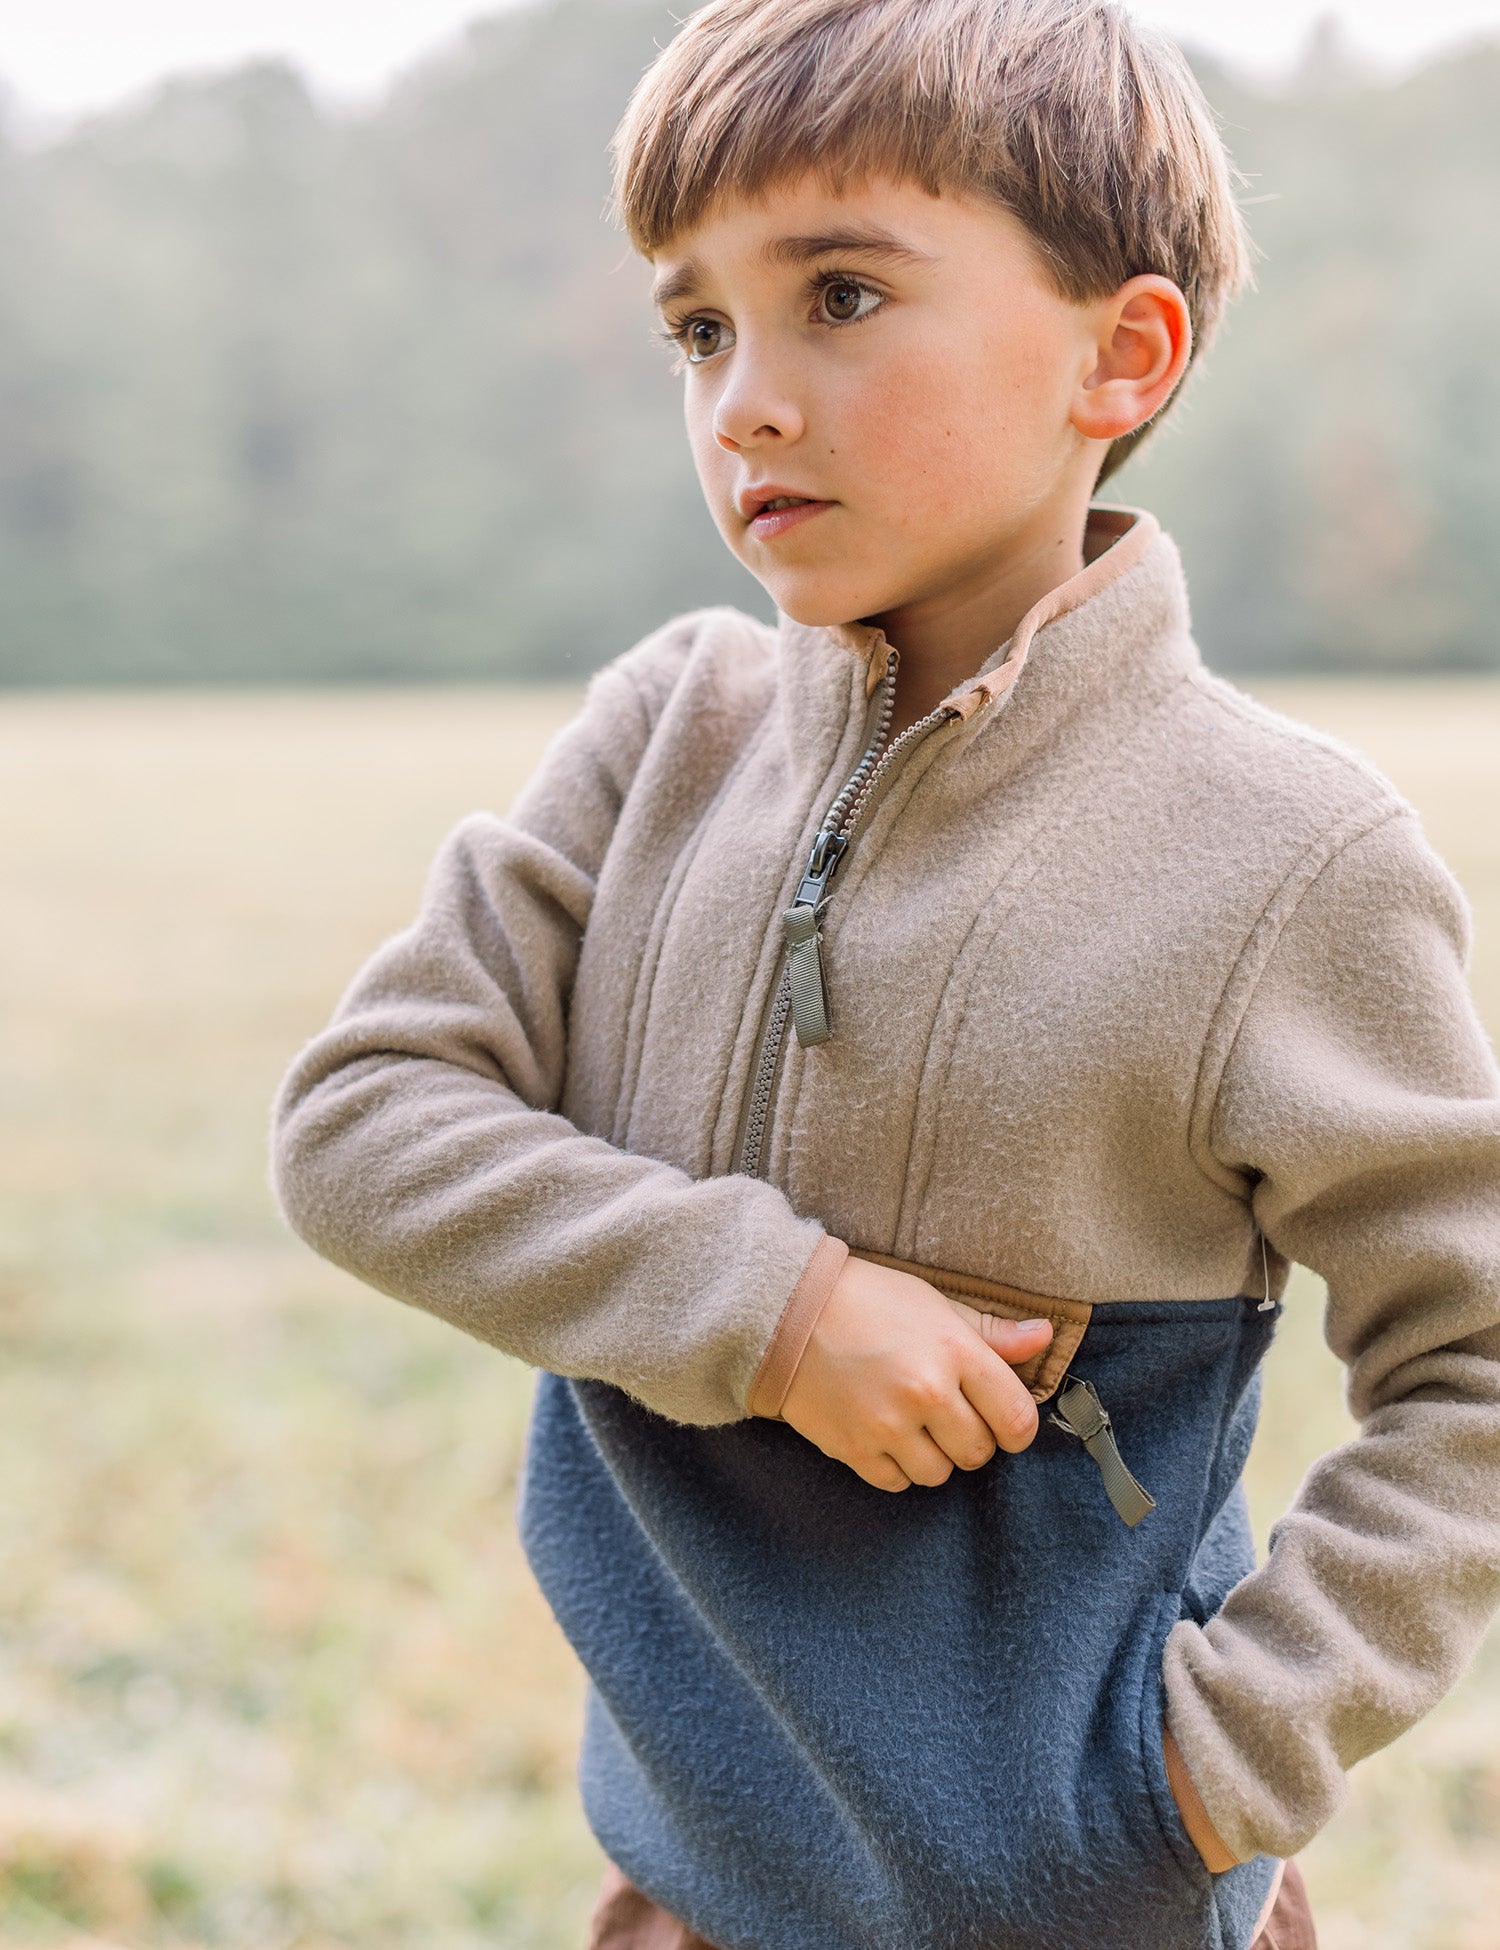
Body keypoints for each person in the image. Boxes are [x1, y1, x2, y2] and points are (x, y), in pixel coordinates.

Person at [270, 3, 1500, 1946]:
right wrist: (770, 1308)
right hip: (693, 1890)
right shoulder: (655, 742)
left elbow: (1478, 1366)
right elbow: (361, 1125)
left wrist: (1219, 1764)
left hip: (1087, 1903)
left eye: (841, 295)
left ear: (1124, 352)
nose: (745, 400)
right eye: (699, 327)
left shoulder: (1292, 859)